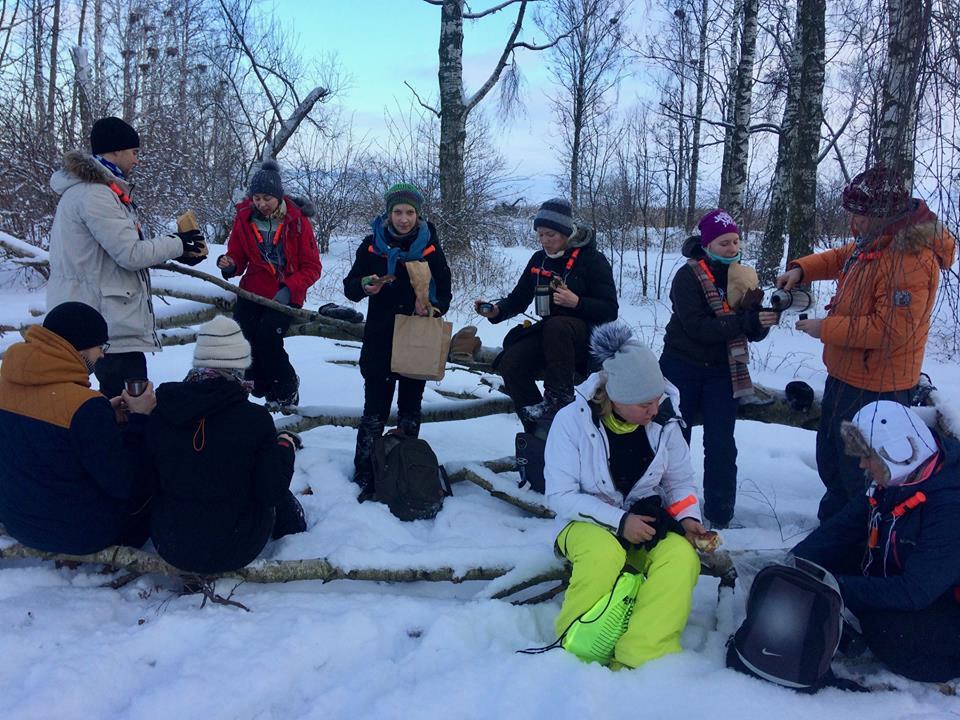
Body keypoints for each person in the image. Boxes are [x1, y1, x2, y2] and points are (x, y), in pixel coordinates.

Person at [777, 166, 956, 521]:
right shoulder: (877, 241)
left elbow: (890, 330)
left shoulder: (910, 260)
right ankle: (830, 533)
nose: (852, 223)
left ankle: (858, 545)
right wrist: (802, 270)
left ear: (881, 215)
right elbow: (842, 256)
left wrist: (825, 328)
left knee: (860, 476)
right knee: (831, 459)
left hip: (878, 389)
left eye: (857, 216)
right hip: (845, 378)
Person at [544, 322, 708, 669]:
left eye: (658, 399)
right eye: (645, 403)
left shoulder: (665, 423)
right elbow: (560, 496)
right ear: (617, 397)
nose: (654, 409)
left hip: (644, 521)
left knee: (681, 558)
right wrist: (619, 522)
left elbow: (680, 483)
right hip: (583, 522)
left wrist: (689, 518)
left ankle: (643, 654)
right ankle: (576, 652)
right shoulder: (571, 422)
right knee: (603, 554)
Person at [792, 401, 960, 683]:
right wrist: (795, 566)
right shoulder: (902, 476)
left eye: (868, 457)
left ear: (898, 452)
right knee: (826, 561)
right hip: (912, 575)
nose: (861, 465)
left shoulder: (950, 505)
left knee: (888, 633)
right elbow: (841, 529)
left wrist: (835, 588)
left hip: (945, 600)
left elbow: (916, 590)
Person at [47, 116, 208, 398]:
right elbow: (130, 254)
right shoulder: (95, 195)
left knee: (111, 402)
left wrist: (178, 251)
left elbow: (114, 253)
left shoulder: (94, 191)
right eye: (134, 152)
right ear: (116, 151)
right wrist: (178, 244)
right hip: (107, 322)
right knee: (130, 405)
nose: (137, 160)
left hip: (100, 316)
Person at [146, 315, 307, 574]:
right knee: (274, 481)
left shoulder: (163, 408)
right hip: (235, 546)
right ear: (239, 367)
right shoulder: (254, 419)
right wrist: (285, 447)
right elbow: (270, 493)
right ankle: (294, 531)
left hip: (171, 542)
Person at [0, 302, 156, 553]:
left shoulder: (5, 383)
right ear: (79, 347)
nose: (102, 355)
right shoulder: (84, 407)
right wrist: (140, 418)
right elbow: (125, 484)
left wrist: (102, 412)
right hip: (78, 533)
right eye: (100, 346)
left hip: (17, 520)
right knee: (152, 484)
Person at [660, 209, 777, 528]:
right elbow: (697, 327)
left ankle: (720, 513)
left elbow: (748, 329)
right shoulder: (688, 276)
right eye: (724, 242)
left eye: (736, 241)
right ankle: (668, 507)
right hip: (682, 365)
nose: (732, 248)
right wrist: (745, 321)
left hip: (723, 371)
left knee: (721, 444)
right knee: (673, 440)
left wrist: (761, 322)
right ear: (708, 243)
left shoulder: (742, 274)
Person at [343, 183, 452, 499]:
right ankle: (365, 471)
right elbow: (350, 286)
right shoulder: (371, 246)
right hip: (380, 338)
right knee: (374, 411)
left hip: (416, 338)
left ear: (418, 215)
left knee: (409, 409)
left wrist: (432, 307)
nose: (403, 219)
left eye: (409, 212)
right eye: (398, 212)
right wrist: (366, 285)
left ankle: (404, 469)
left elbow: (444, 292)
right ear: (388, 213)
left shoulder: (430, 248)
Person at [476, 198, 618, 432]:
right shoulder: (538, 260)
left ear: (566, 232)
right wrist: (496, 310)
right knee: (511, 362)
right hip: (552, 335)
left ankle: (558, 400)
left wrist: (578, 303)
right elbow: (518, 298)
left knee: (557, 326)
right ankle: (538, 427)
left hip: (586, 338)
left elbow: (609, 310)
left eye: (550, 234)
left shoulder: (592, 260)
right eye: (540, 235)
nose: (544, 241)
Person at [217, 159, 322, 407]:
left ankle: (287, 388)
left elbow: (313, 268)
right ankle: (261, 388)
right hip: (253, 289)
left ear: (279, 197)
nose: (261, 204)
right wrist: (230, 264)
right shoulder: (244, 218)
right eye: (257, 198)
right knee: (243, 338)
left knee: (268, 339)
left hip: (286, 292)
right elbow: (238, 255)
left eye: (267, 198)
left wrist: (290, 288)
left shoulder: (297, 221)